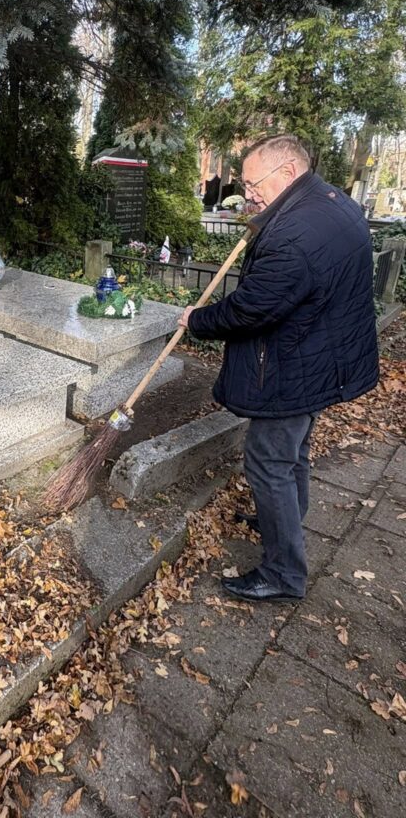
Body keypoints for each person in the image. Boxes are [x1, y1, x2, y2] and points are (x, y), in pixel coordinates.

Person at [178, 134, 379, 603]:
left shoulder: (296, 233)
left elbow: (250, 309)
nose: (248, 194)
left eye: (253, 184)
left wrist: (196, 320)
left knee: (268, 462)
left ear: (287, 172)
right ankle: (285, 519)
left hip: (293, 365)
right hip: (320, 355)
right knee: (293, 453)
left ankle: (284, 573)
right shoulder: (331, 202)